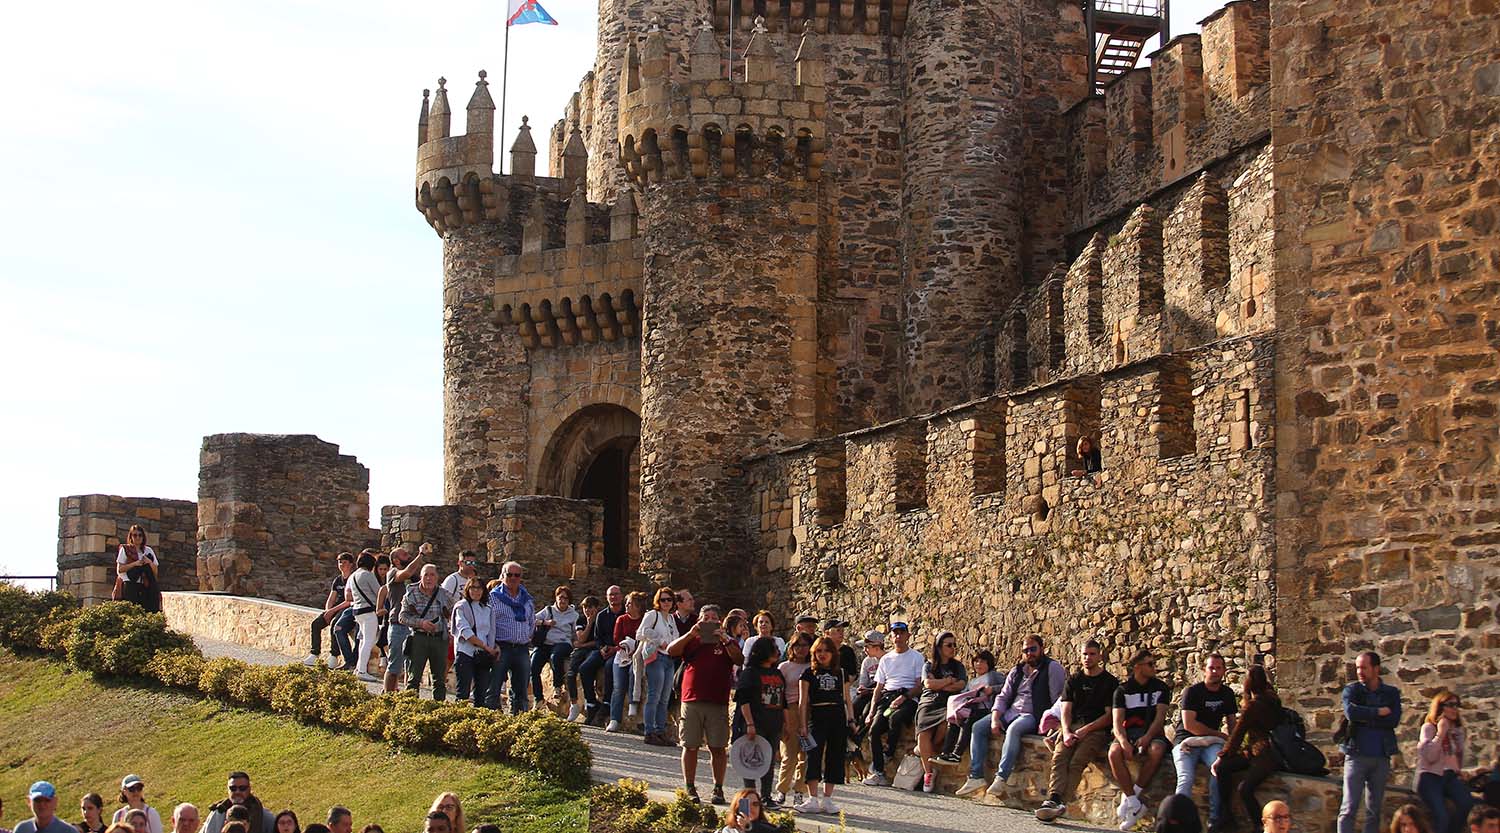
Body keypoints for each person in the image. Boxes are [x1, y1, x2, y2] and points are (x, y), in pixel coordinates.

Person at [961, 633, 1066, 798]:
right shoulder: (1017, 671)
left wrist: (1053, 721)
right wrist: (995, 718)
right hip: (1011, 712)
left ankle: (1001, 777)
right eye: (1026, 650)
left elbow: (1057, 697)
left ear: (1042, 649)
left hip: (1033, 715)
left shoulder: (1052, 668)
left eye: (1033, 649)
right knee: (978, 727)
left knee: (1014, 729)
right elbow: (1003, 696)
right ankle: (976, 776)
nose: (1029, 653)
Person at [1036, 640, 1121, 821]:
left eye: (1092, 654)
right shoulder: (1074, 680)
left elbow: (1109, 716)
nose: (1087, 658)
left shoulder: (1109, 682)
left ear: (1099, 656)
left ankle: (1060, 802)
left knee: (1077, 761)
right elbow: (1066, 709)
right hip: (1073, 727)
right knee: (1060, 757)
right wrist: (1066, 731)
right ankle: (1054, 799)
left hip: (1096, 730)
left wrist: (1085, 730)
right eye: (1084, 654)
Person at [667, 604, 743, 805]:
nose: (709, 621)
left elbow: (739, 659)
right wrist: (690, 635)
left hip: (717, 701)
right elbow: (671, 650)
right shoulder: (692, 639)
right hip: (691, 699)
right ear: (699, 620)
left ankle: (718, 788)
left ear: (720, 621)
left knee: (718, 747)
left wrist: (725, 640)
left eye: (712, 618)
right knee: (690, 745)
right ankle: (690, 787)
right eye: (705, 617)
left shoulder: (728, 641)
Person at [1210, 664, 1282, 833]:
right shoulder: (1273, 699)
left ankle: (1258, 826)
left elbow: (1238, 734)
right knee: (1224, 768)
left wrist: (1221, 756)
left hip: (1264, 756)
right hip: (1261, 753)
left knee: (1244, 789)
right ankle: (1226, 816)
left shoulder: (1254, 706)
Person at [1340, 651, 1403, 833]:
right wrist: (1377, 712)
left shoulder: (1390, 693)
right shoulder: (1352, 691)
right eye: (1357, 668)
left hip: (1381, 756)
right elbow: (1351, 713)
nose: (1359, 672)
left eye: (1364, 668)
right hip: (1356, 754)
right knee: (1349, 808)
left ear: (1376, 669)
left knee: (1374, 810)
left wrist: (1364, 715)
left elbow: (1393, 720)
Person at [1109, 650, 1173, 831]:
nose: (1154, 667)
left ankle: (1131, 798)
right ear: (1137, 667)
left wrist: (1147, 737)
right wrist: (1123, 742)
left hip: (1152, 732)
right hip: (1129, 732)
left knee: (1157, 750)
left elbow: (1159, 719)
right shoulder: (1122, 690)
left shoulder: (1160, 688)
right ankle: (1134, 803)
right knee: (1114, 753)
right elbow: (1117, 723)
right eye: (1150, 664)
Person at [1175, 654, 1239, 831]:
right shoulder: (1192, 692)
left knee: (1219, 769)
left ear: (1224, 671)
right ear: (1204, 670)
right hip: (1186, 740)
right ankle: (1178, 823)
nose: (1215, 671)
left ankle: (1215, 820)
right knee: (1186, 778)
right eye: (1211, 668)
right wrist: (1218, 734)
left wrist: (1233, 745)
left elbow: (1232, 723)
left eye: (1219, 668)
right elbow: (1190, 725)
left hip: (1211, 743)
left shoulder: (1227, 694)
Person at [862, 621, 925, 786]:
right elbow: (879, 688)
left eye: (901, 633)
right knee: (874, 729)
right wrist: (871, 711)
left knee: (895, 718)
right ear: (890, 637)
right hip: (888, 697)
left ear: (908, 635)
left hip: (908, 697)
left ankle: (888, 753)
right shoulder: (886, 659)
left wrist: (904, 697)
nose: (898, 636)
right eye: (895, 633)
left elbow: (919, 685)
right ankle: (878, 772)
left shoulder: (916, 657)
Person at [800, 635, 857, 815]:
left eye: (826, 650)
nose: (822, 654)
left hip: (837, 715)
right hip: (817, 715)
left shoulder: (841, 673)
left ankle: (827, 798)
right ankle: (812, 798)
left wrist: (851, 720)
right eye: (819, 651)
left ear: (833, 653)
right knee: (813, 755)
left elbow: (847, 699)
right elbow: (803, 702)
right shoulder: (808, 673)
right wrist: (802, 725)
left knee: (835, 755)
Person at [733, 634, 788, 808]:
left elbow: (783, 700)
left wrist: (786, 724)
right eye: (774, 649)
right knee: (749, 763)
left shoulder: (777, 673)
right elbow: (743, 700)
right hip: (755, 724)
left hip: (774, 724)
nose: (778, 652)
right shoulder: (749, 673)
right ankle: (748, 801)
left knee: (768, 762)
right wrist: (749, 724)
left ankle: (765, 797)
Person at [914, 630, 968, 792]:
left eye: (954, 645)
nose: (953, 648)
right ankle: (928, 773)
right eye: (949, 645)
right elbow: (928, 684)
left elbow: (961, 685)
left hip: (948, 702)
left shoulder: (958, 666)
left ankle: (925, 750)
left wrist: (940, 683)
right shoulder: (929, 665)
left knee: (946, 724)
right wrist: (949, 681)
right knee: (923, 732)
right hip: (929, 701)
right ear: (939, 647)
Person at [1417, 691, 1474, 833]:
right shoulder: (1429, 728)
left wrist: (1459, 771)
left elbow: (1455, 757)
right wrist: (1441, 733)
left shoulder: (1455, 731)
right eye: (1451, 705)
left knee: (1468, 804)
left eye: (1457, 705)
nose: (1455, 709)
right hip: (1430, 777)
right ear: (1440, 707)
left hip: (1450, 776)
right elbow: (1430, 757)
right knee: (1441, 816)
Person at [401, 563, 456, 700]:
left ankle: (438, 708)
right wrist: (421, 623)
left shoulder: (444, 595)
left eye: (432, 575)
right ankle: (409, 707)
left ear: (437, 577)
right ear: (421, 577)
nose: (429, 578)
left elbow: (456, 613)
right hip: (419, 638)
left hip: (439, 639)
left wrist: (450, 629)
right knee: (414, 678)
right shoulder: (411, 593)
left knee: (439, 679)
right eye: (426, 575)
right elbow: (402, 617)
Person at [939, 649, 1002, 763]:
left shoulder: (994, 676)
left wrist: (992, 689)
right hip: (972, 709)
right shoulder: (971, 681)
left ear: (989, 663)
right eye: (976, 661)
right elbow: (964, 694)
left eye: (982, 661)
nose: (978, 664)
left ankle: (957, 754)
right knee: (954, 721)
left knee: (969, 721)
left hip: (986, 710)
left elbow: (1008, 686)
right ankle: (946, 752)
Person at [636, 586, 681, 745]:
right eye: (663, 600)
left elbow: (675, 636)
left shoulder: (671, 619)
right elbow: (640, 633)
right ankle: (649, 731)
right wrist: (658, 640)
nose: (666, 602)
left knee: (665, 697)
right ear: (658, 601)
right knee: (654, 696)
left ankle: (660, 731)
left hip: (669, 658)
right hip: (656, 657)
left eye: (669, 599)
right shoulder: (652, 615)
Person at [488, 560, 535, 713]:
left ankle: (519, 719)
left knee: (521, 690)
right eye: (509, 575)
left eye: (517, 575)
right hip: (501, 647)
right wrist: (492, 644)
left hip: (522, 648)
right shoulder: (493, 598)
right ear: (502, 576)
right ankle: (491, 719)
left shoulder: (527, 599)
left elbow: (531, 621)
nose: (513, 578)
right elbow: (488, 623)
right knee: (494, 686)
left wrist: (526, 636)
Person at [776, 632, 816, 805]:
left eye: (805, 645)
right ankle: (782, 789)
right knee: (789, 753)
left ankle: (800, 790)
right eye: (797, 645)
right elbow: (779, 692)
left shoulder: (813, 667)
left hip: (809, 710)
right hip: (790, 710)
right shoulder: (784, 667)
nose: (801, 649)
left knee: (805, 755)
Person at [381, 545, 427, 693]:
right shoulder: (393, 573)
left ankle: (407, 697)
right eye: (404, 555)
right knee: (395, 665)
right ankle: (387, 695)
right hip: (398, 624)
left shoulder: (414, 578)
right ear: (396, 560)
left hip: (413, 624)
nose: (408, 556)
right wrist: (420, 555)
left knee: (411, 666)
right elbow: (407, 572)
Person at [579, 585, 624, 725]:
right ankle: (591, 703)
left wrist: (615, 649)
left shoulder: (626, 614)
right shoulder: (602, 615)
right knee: (584, 668)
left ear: (621, 596)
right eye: (611, 595)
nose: (613, 597)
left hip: (619, 650)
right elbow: (597, 637)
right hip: (603, 649)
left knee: (610, 667)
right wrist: (602, 648)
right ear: (607, 597)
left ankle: (606, 704)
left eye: (616, 594)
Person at [531, 585, 579, 710]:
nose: (562, 600)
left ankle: (557, 686)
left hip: (563, 643)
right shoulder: (548, 610)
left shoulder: (573, 615)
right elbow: (531, 619)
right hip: (545, 643)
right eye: (560, 597)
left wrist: (577, 642)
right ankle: (538, 698)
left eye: (566, 598)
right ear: (556, 598)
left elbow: (575, 633)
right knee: (534, 666)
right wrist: (545, 622)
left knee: (556, 656)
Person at [452, 576, 498, 707]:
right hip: (465, 652)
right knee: (463, 694)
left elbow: (491, 632)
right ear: (468, 589)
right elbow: (465, 631)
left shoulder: (488, 609)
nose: (476, 591)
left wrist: (492, 648)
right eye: (473, 587)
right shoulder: (461, 606)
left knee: (481, 695)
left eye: (479, 588)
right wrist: (485, 646)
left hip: (482, 655)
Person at [304, 552, 354, 666]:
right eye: (340, 562)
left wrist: (332, 611)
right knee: (316, 624)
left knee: (335, 624)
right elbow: (332, 598)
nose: (341, 565)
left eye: (345, 562)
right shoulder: (338, 580)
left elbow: (349, 601)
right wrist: (327, 611)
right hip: (336, 607)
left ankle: (334, 656)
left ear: (351, 564)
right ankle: (314, 653)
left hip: (347, 608)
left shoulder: (353, 579)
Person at [606, 591, 647, 732]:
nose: (627, 606)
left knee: (633, 673)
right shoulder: (621, 619)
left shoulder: (645, 619)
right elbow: (616, 638)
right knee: (618, 687)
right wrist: (626, 645)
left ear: (638, 606)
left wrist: (636, 647)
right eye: (627, 603)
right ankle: (614, 719)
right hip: (622, 654)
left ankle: (633, 703)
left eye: (630, 603)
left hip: (638, 654)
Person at [346, 552, 383, 682]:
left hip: (357, 611)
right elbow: (379, 592)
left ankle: (358, 668)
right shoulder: (368, 575)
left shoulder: (353, 576)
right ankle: (362, 670)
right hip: (368, 611)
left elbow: (348, 595)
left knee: (362, 641)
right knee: (369, 641)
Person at [565, 595, 601, 721]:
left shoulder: (601, 620)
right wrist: (589, 624)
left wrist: (583, 644)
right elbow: (581, 638)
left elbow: (598, 642)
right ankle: (574, 704)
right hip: (581, 650)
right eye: (585, 607)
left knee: (585, 670)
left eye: (590, 607)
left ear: (596, 608)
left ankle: (590, 702)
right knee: (570, 674)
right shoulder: (581, 620)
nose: (587, 610)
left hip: (594, 650)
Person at [203, 773, 274, 833]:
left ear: (249, 789)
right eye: (233, 788)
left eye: (242, 788)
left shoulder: (265, 816)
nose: (237, 792)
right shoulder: (217, 813)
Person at [851, 630, 886, 744]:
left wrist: (870, 690)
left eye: (867, 647)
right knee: (853, 706)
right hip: (868, 691)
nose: (864, 650)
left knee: (867, 711)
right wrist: (862, 688)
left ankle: (859, 738)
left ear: (877, 646)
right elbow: (863, 681)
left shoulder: (888, 659)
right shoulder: (867, 661)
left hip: (882, 692)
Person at [116, 525, 161, 612]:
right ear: (131, 537)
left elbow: (155, 571)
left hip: (145, 585)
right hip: (130, 585)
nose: (137, 537)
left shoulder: (148, 550)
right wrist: (135, 564)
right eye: (135, 535)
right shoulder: (125, 549)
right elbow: (120, 569)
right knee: (131, 612)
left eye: (140, 535)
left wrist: (149, 562)